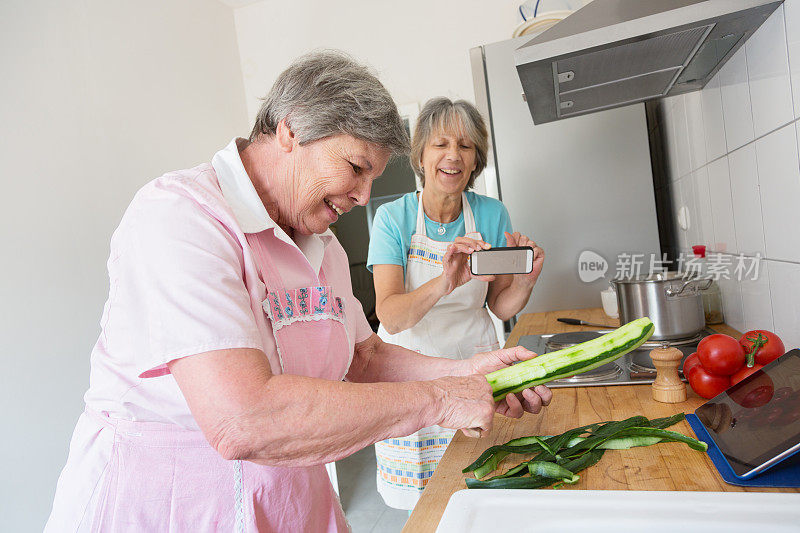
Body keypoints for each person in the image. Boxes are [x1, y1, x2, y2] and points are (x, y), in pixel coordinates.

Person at [45, 52, 552, 532]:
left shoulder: (322, 246)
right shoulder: (181, 217)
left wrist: (467, 372)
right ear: (289, 131)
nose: (363, 197)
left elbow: (366, 357)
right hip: (172, 507)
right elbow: (244, 419)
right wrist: (439, 399)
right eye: (356, 169)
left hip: (290, 500)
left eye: (372, 178)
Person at [367, 97, 545, 510]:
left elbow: (500, 306)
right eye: (440, 144)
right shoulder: (393, 218)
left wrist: (527, 280)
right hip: (410, 372)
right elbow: (392, 317)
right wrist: (446, 281)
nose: (453, 156)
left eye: (465, 146)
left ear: (476, 159)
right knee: (424, 504)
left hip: (473, 364)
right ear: (421, 155)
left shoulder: (491, 214)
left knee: (481, 488)